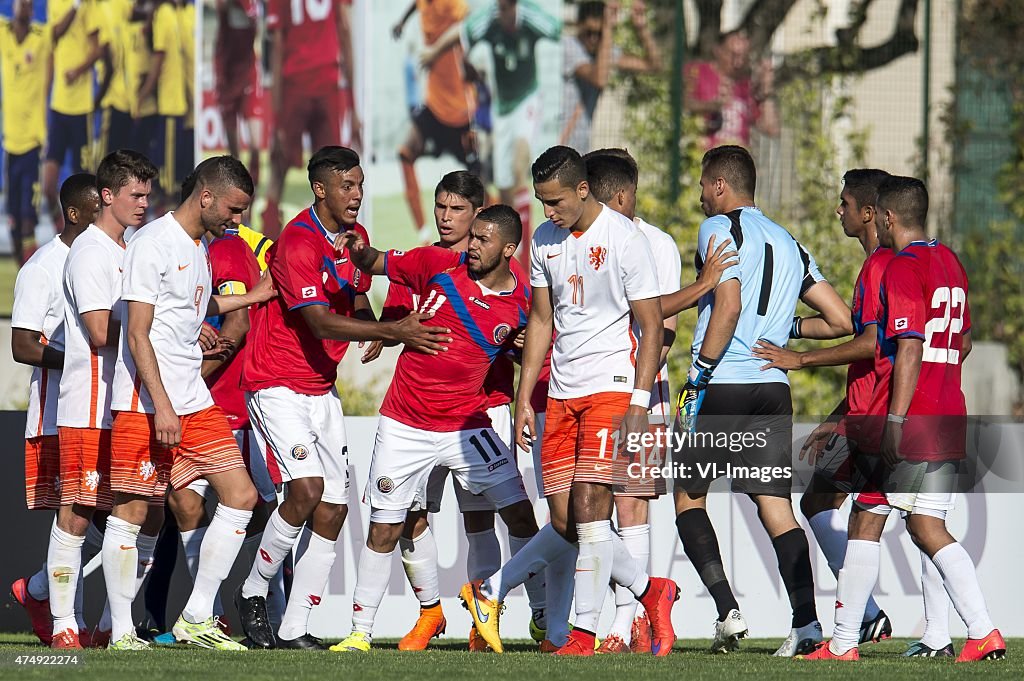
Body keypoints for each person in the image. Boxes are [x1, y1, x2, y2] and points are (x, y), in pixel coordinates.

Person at [461, 146, 679, 657]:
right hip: (560, 393)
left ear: (583, 190)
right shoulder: (543, 240)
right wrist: (522, 398)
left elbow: (650, 326)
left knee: (589, 507)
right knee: (564, 522)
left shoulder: (626, 240)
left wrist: (639, 401)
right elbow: (540, 320)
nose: (548, 212)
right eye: (541, 202)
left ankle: (582, 634)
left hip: (613, 387)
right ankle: (653, 591)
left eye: (555, 201)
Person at [235, 146, 450, 650]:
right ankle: (253, 591)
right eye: (346, 186)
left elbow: (352, 294)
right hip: (276, 383)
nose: (356, 195)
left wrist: (371, 318)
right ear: (320, 189)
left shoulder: (356, 241)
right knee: (306, 491)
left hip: (320, 387)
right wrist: (389, 329)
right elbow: (319, 321)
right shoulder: (297, 243)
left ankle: (297, 627)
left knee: (333, 509)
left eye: (359, 185)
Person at [801, 176, 1006, 663]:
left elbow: (907, 345)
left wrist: (894, 418)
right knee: (920, 524)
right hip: (950, 409)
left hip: (912, 416)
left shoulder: (899, 267)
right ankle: (977, 632)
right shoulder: (951, 262)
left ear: (887, 217)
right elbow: (966, 343)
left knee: (871, 518)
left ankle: (848, 642)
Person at [753, 168, 957, 656]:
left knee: (905, 523)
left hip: (886, 415)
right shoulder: (887, 263)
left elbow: (873, 345)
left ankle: (919, 632)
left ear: (872, 213)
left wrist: (798, 358)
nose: (837, 211)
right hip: (868, 409)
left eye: (844, 203)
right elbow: (876, 345)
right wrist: (836, 414)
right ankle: (875, 620)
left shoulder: (885, 265)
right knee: (827, 503)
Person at [329, 204, 541, 654]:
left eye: (482, 240)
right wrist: (361, 252)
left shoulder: (523, 298)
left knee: (520, 515)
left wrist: (520, 347)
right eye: (472, 237)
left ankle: (538, 616)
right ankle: (359, 633)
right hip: (405, 422)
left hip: (468, 426)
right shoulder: (439, 263)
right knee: (387, 527)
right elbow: (379, 263)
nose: (471, 247)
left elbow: (533, 353)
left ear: (508, 248)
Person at [672, 145, 851, 657]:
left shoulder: (718, 229)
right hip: (772, 388)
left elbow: (725, 305)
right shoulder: (789, 241)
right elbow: (841, 321)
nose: (701, 194)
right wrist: (784, 330)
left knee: (688, 497)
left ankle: (727, 610)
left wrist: (700, 375)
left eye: (705, 184)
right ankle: (807, 627)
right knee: (776, 507)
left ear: (721, 185)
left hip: (721, 382)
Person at [106, 155, 272, 651]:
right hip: (146, 403)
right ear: (206, 196)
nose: (237, 220)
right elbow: (137, 335)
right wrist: (161, 407)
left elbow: (195, 307)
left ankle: (197, 616)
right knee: (131, 511)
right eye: (234, 209)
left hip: (192, 400)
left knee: (241, 497)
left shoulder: (199, 246)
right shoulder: (152, 243)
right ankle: (118, 634)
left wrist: (254, 296)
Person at [580, 148, 726, 653]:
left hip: (640, 395)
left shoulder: (654, 242)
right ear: (621, 192)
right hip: (586, 391)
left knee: (632, 504)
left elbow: (662, 328)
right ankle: (641, 604)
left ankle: (625, 625)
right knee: (585, 510)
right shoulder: (575, 241)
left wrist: (640, 386)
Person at [52, 150, 159, 650]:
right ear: (107, 196)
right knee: (75, 513)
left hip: (127, 403)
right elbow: (99, 330)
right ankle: (62, 625)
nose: (144, 203)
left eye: (147, 194)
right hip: (90, 402)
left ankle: (110, 626)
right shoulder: (92, 251)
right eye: (135, 195)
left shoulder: (130, 248)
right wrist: (156, 326)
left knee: (140, 511)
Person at [9, 174, 100, 647]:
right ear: (74, 214)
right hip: (56, 413)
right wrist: (84, 358)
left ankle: (42, 590)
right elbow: (22, 345)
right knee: (77, 513)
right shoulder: (43, 267)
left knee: (108, 513)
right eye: (96, 212)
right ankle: (73, 622)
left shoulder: (108, 259)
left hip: (105, 409)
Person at [461, 0, 561, 265]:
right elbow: (466, 34)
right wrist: (467, 65)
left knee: (519, 166)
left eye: (508, 7)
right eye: (501, 7)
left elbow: (557, 29)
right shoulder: (487, 21)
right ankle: (513, 246)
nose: (504, 12)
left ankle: (527, 255)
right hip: (501, 107)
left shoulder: (530, 17)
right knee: (504, 183)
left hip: (528, 99)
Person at [260, 0, 361, 238]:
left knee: (278, 171)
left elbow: (277, 45)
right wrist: (354, 108)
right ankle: (337, 259)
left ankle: (268, 255)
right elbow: (344, 29)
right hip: (327, 82)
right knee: (335, 176)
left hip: (294, 85)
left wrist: (275, 118)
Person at [393, 0, 481, 241]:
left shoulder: (450, 3)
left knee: (481, 180)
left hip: (460, 110)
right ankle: (423, 235)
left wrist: (436, 50)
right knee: (404, 151)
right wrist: (402, 21)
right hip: (433, 105)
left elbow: (468, 23)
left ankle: (497, 226)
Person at [560, 1, 660, 153]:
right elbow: (599, 79)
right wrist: (607, 28)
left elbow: (654, 66)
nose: (594, 39)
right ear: (578, 25)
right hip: (557, 143)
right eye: (589, 32)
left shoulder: (603, 54)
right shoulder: (568, 46)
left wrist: (642, 29)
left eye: (599, 34)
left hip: (579, 148)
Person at [43, 0, 104, 225]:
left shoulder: (91, 7)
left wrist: (78, 71)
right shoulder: (59, 4)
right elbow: (55, 34)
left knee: (85, 186)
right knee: (48, 186)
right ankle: (61, 230)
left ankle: (87, 234)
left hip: (81, 109)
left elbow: (98, 48)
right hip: (59, 106)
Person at [0, 0, 51, 264]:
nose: (25, 8)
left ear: (33, 11)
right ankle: (24, 274)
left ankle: (30, 274)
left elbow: (61, 33)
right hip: (10, 142)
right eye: (22, 3)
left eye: (30, 5)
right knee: (13, 220)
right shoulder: (3, 33)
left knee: (28, 217)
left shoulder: (41, 39)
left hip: (32, 141)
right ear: (14, 6)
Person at [683, 29, 778, 150]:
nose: (738, 63)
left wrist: (766, 89)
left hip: (736, 161)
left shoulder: (747, 86)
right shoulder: (697, 72)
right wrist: (712, 106)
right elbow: (683, 105)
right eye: (733, 55)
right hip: (704, 156)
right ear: (718, 51)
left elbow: (770, 129)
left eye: (743, 57)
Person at [214, 0, 261, 181]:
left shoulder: (252, 6)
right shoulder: (224, 6)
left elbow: (257, 25)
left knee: (256, 145)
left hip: (249, 73)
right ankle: (240, 197)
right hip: (226, 75)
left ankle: (253, 191)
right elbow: (221, 7)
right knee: (234, 155)